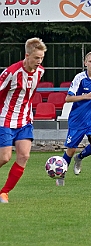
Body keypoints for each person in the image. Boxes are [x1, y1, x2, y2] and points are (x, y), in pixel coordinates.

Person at [0, 38, 47, 203]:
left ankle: (4, 192)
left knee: (24, 155)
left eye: (41, 58)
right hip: (5, 120)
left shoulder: (40, 72)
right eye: (36, 58)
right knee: (5, 157)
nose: (39, 62)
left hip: (25, 120)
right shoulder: (11, 72)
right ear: (27, 55)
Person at [59, 51, 91, 186]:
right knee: (71, 149)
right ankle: (60, 176)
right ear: (85, 63)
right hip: (77, 119)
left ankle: (79, 158)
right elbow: (68, 98)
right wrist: (85, 96)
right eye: (90, 61)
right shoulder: (79, 78)